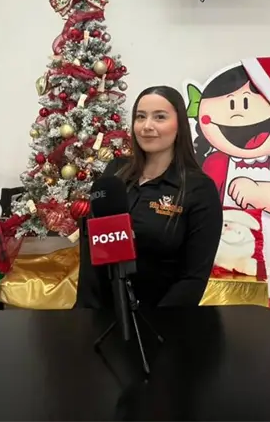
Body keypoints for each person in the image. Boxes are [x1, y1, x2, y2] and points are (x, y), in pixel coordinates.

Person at [75, 86, 223, 309]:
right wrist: (85, 316)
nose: (147, 126)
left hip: (161, 327)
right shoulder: (115, 172)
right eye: (140, 117)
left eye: (160, 117)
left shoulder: (199, 190)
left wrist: (155, 328)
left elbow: (193, 278)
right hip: (100, 319)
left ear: (179, 126)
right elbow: (91, 255)